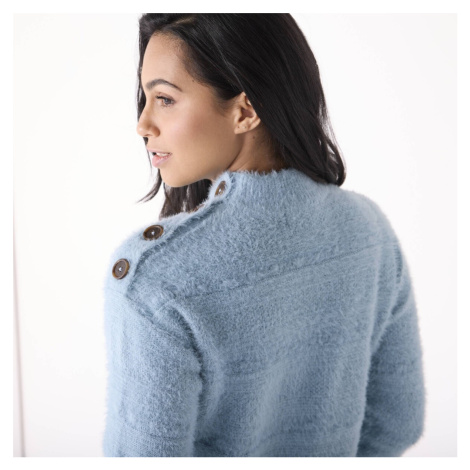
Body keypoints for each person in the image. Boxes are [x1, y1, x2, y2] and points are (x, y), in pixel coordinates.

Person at [102, 13, 426, 457]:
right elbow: (398, 422)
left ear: (245, 111)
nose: (143, 124)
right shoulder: (369, 231)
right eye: (146, 98)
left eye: (165, 99)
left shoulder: (154, 281)